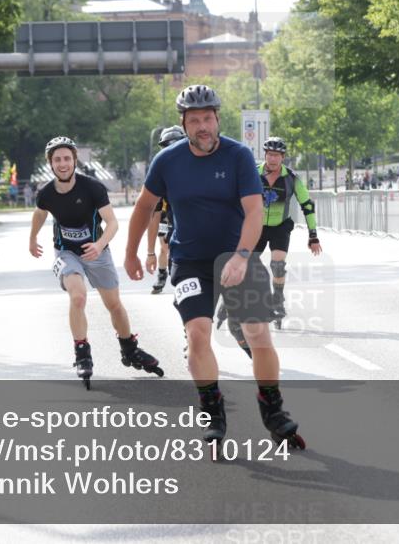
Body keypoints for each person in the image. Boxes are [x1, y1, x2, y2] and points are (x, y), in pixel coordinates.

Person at [124, 85, 305, 451]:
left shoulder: (237, 155)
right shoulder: (168, 160)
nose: (203, 126)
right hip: (190, 261)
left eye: (208, 118)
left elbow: (254, 212)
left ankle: (272, 407)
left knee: (257, 334)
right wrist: (130, 253)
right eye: (194, 121)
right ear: (184, 124)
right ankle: (212, 410)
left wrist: (241, 256)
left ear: (218, 118)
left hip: (237, 256)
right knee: (198, 336)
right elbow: (144, 207)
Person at [30, 136, 163, 389]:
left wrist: (99, 246)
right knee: (77, 297)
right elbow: (39, 213)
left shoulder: (92, 188)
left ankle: (129, 348)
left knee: (114, 304)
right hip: (66, 253)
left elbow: (112, 223)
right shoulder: (46, 193)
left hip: (97, 250)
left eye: (67, 158)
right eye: (57, 159)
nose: (63, 164)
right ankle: (82, 352)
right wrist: (32, 237)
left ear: (74, 160)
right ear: (51, 163)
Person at [216, 136, 322, 346]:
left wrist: (313, 235)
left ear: (283, 157)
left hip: (280, 226)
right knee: (244, 267)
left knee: (277, 265)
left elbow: (307, 205)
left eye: (277, 156)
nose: (273, 159)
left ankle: (278, 299)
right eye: (269, 155)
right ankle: (229, 302)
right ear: (265, 155)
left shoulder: (291, 178)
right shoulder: (252, 173)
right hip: (255, 226)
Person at [146, 125, 187, 295]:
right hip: (166, 213)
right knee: (165, 247)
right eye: (167, 147)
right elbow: (152, 215)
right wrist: (150, 252)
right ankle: (162, 274)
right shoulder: (159, 173)